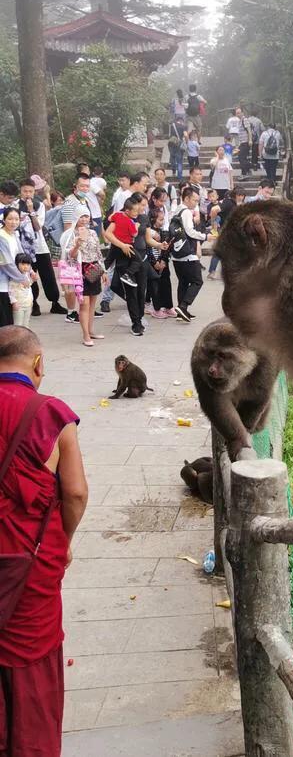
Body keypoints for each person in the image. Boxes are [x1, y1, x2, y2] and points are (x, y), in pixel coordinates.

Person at [0, 326, 88, 757]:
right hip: (29, 564)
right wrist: (62, 540)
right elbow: (74, 493)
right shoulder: (51, 414)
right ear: (37, 363)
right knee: (32, 671)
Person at [104, 192, 156, 336]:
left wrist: (159, 244)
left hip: (141, 260)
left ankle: (139, 317)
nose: (144, 207)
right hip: (124, 259)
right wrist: (122, 245)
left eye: (145, 205)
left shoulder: (144, 218)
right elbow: (108, 234)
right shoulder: (122, 217)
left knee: (141, 292)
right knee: (131, 293)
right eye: (142, 204)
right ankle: (136, 323)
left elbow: (147, 239)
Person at [18, 178, 67, 317]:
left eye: (30, 191)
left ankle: (55, 302)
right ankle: (34, 304)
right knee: (29, 275)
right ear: (20, 191)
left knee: (48, 276)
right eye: (25, 191)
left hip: (39, 246)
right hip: (24, 248)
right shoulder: (15, 205)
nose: (28, 194)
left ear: (34, 192)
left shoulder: (39, 205)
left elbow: (38, 227)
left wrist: (31, 210)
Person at [60, 209, 107, 347]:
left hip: (94, 268)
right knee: (84, 304)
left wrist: (103, 270)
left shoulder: (92, 232)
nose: (85, 219)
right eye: (82, 216)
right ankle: (85, 335)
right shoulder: (69, 235)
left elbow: (98, 252)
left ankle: (90, 330)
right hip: (79, 270)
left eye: (87, 216)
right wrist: (77, 243)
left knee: (92, 302)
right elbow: (70, 255)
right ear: (76, 217)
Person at [171, 186, 216, 321]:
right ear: (186, 198)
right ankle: (184, 306)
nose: (196, 203)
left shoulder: (176, 210)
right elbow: (190, 232)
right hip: (187, 253)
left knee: (183, 282)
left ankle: (181, 311)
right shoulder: (186, 212)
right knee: (197, 281)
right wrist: (205, 236)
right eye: (194, 200)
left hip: (177, 254)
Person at [60, 174, 91, 324]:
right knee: (70, 280)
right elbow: (67, 227)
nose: (85, 189)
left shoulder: (84, 200)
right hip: (72, 246)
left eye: (87, 186)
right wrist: (74, 245)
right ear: (75, 186)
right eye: (82, 186)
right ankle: (71, 311)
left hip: (84, 246)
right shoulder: (69, 202)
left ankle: (84, 307)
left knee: (82, 280)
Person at [0, 209, 32, 327]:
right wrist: (21, 278)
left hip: (14, 283)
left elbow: (21, 254)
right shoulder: (1, 236)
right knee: (5, 321)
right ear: (4, 220)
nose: (13, 222)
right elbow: (6, 262)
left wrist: (30, 271)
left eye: (16, 219)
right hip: (3, 284)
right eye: (10, 219)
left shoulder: (14, 235)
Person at [208, 187, 246, 279]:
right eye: (239, 195)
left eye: (242, 195)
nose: (241, 197)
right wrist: (213, 223)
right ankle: (212, 272)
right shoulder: (228, 202)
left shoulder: (239, 204)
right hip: (224, 231)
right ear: (234, 195)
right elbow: (214, 210)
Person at [105, 197, 141, 288]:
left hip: (115, 244)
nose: (137, 213)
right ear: (128, 211)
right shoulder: (130, 222)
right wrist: (136, 226)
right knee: (137, 259)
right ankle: (128, 274)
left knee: (107, 262)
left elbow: (109, 218)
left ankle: (91, 276)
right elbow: (134, 234)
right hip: (126, 245)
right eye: (135, 211)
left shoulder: (117, 215)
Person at [146, 207, 175, 318]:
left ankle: (168, 307)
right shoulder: (148, 233)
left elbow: (166, 248)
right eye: (160, 219)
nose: (162, 222)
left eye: (163, 219)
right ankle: (157, 309)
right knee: (154, 286)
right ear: (153, 219)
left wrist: (163, 260)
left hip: (163, 263)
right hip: (152, 264)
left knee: (166, 284)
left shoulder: (164, 232)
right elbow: (148, 250)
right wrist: (155, 263)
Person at [9, 254, 35, 329]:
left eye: (28, 264)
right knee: (18, 325)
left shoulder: (26, 275)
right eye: (23, 264)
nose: (25, 266)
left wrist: (33, 279)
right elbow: (10, 291)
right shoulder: (15, 277)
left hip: (28, 304)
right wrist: (14, 302)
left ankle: (24, 340)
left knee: (26, 325)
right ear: (17, 264)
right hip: (19, 305)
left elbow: (28, 285)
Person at [88, 165, 107, 237]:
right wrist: (101, 203)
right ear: (102, 174)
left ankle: (105, 240)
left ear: (93, 173)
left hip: (92, 204)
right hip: (98, 204)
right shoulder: (103, 181)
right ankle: (105, 240)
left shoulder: (91, 181)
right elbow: (103, 193)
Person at [237, 109, 253, 178]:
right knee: (242, 158)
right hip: (242, 142)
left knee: (241, 158)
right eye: (236, 113)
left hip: (246, 142)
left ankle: (248, 170)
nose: (238, 114)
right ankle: (247, 171)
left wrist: (250, 140)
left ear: (242, 113)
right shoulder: (239, 121)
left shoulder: (245, 120)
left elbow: (249, 131)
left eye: (239, 113)